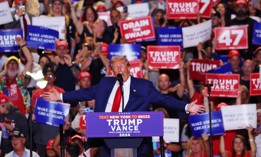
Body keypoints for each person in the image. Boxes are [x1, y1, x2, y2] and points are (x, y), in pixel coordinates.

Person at [43, 55, 205, 157]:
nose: (119, 70)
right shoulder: (105, 83)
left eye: (122, 67)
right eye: (115, 68)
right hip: (104, 141)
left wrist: (186, 107)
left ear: (129, 68)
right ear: (112, 71)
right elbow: (85, 93)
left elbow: (162, 99)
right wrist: (61, 96)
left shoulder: (143, 86)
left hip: (136, 141)